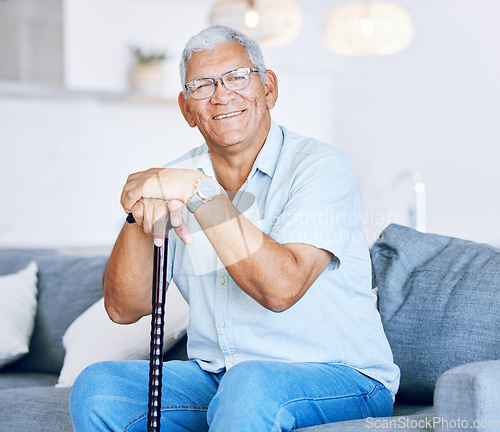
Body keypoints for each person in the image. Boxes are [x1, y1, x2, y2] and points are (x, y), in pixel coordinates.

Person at [69, 25, 400, 432]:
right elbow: (124, 309)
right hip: (221, 376)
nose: (222, 95)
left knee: (250, 385)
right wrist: (139, 216)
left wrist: (200, 192)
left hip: (341, 376)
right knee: (100, 388)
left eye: (237, 77)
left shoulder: (320, 166)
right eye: (202, 86)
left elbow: (281, 289)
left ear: (269, 88)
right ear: (187, 108)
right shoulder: (177, 176)